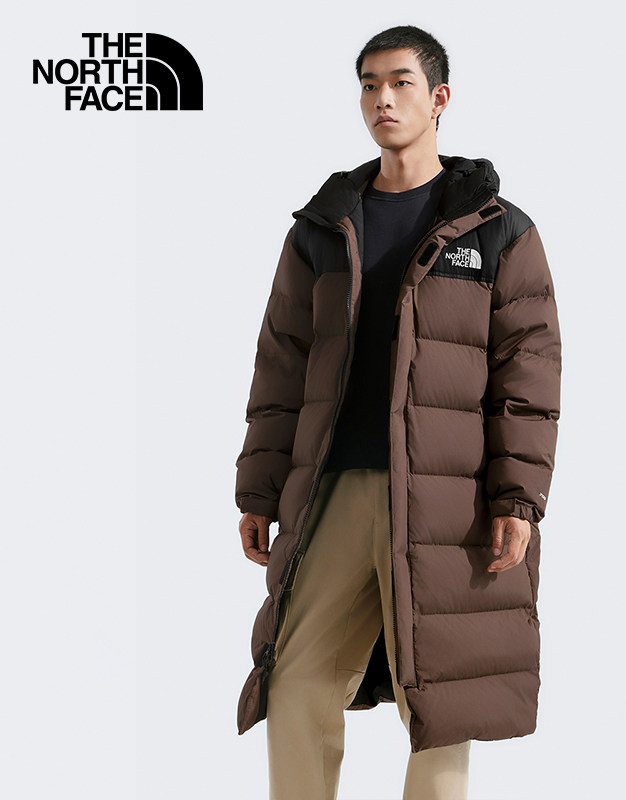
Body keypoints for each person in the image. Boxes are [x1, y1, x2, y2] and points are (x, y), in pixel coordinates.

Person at [234, 24, 562, 800]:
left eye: (401, 82)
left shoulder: (497, 229)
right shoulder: (322, 227)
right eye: (370, 84)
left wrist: (518, 499)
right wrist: (259, 489)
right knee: (296, 678)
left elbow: (529, 373)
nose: (382, 99)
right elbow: (281, 363)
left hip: (449, 496)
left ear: (439, 97)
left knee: (442, 697)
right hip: (336, 489)